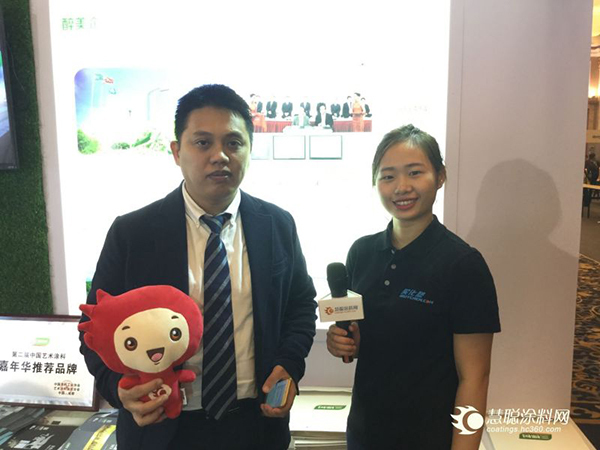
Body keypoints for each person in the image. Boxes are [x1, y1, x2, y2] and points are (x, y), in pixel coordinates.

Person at [80, 84, 317, 450]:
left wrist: (290, 363)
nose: (219, 156)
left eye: (233, 143)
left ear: (250, 149)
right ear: (177, 151)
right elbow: (94, 327)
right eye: (203, 143)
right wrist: (118, 389)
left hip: (256, 426)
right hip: (162, 430)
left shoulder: (277, 224)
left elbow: (300, 306)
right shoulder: (133, 233)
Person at [326, 124, 500, 450]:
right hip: (365, 433)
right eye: (388, 176)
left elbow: (475, 379)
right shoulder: (361, 252)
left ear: (440, 176)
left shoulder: (463, 265)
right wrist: (348, 343)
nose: (401, 187)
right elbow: (381, 343)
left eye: (415, 173)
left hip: (430, 438)